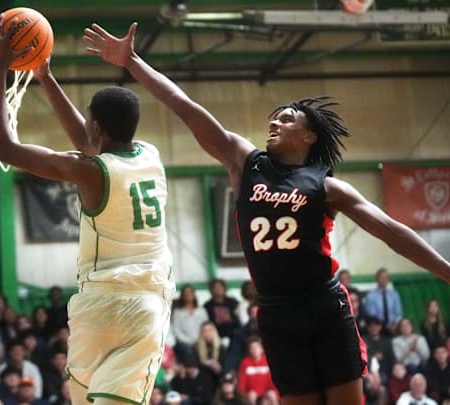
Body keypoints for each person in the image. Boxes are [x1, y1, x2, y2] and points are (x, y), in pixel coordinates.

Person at [82, 21, 450, 405]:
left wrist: (446, 271)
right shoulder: (245, 161)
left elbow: (392, 231)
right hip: (276, 313)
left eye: (287, 118)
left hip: (324, 306)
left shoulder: (327, 187)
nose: (275, 121)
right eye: (274, 117)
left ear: (309, 137)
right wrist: (133, 62)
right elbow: (185, 107)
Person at [0, 16, 175, 405]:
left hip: (95, 309)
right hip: (142, 306)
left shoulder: (92, 170)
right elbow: (88, 140)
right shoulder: (149, 157)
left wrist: (0, 68)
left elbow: (4, 148)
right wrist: (44, 75)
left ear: (97, 127)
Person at [363, 268, 404, 335]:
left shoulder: (394, 295)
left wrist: (395, 325)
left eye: (386, 277)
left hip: (394, 328)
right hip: (378, 328)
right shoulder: (370, 296)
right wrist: (381, 325)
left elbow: (398, 313)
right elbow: (371, 314)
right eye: (381, 277)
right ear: (376, 279)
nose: (384, 279)